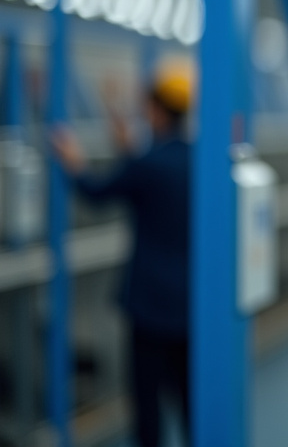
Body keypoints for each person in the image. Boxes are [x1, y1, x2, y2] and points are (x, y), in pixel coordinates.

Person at [51, 62, 194, 447]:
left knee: (147, 408)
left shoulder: (146, 164)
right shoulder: (197, 162)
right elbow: (145, 169)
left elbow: (97, 193)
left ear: (155, 110)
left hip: (148, 307)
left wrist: (72, 163)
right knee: (189, 402)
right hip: (189, 306)